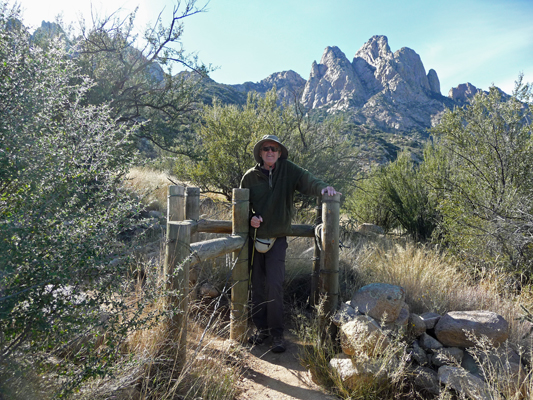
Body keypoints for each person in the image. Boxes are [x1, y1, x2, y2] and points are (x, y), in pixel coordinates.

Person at [240, 134, 339, 353]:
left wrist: (324, 188)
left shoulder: (288, 170)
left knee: (275, 285)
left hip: (277, 240)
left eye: (274, 149)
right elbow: (241, 206)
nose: (270, 152)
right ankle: (261, 330)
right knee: (256, 286)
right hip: (255, 239)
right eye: (266, 148)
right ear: (260, 152)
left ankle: (277, 335)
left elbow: (308, 180)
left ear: (280, 152)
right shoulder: (249, 177)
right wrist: (250, 218)